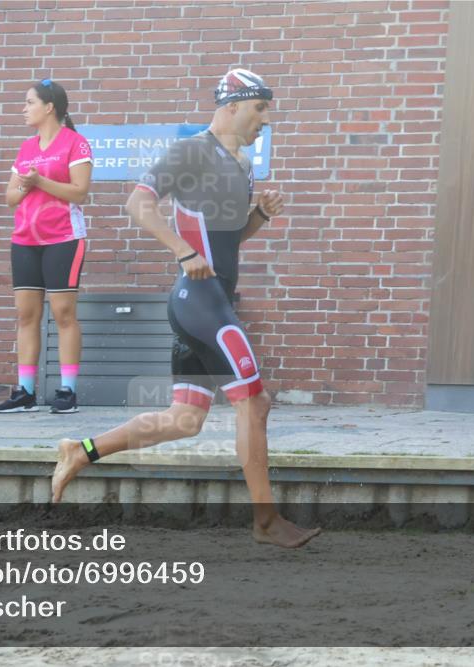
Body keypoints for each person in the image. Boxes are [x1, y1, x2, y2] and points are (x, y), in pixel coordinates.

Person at [51, 69, 321, 548]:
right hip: (201, 303)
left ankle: (81, 450)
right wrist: (181, 250)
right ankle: (265, 521)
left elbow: (227, 242)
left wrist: (259, 215)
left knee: (184, 419)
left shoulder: (241, 164)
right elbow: (138, 204)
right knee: (254, 402)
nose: (265, 119)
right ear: (233, 105)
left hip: (210, 301)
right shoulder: (192, 150)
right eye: (260, 108)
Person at [0, 79, 93, 414]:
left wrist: (40, 181)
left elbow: (80, 193)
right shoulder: (26, 148)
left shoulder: (75, 143)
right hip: (24, 239)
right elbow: (10, 198)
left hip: (64, 238)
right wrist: (25, 185)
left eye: (29, 103)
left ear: (49, 107)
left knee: (63, 314)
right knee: (26, 315)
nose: (24, 109)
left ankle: (67, 391)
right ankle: (25, 391)